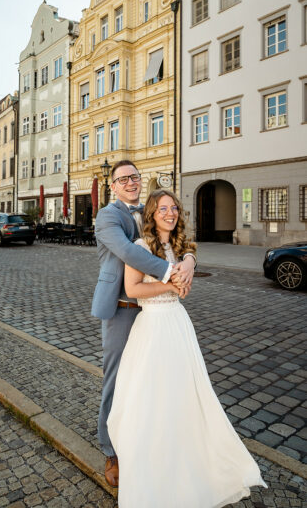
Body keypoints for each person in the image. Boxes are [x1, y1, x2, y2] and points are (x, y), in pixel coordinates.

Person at [107, 189, 267, 507]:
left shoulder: (178, 247)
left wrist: (188, 268)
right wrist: (170, 283)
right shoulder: (141, 247)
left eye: (174, 208)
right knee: (151, 399)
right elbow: (132, 288)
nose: (170, 213)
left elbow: (184, 289)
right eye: (163, 208)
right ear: (152, 214)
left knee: (184, 396)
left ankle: (187, 457)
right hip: (152, 328)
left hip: (178, 325)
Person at [91, 160, 196, 487]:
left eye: (134, 177)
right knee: (117, 380)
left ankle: (146, 443)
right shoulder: (109, 216)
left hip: (153, 311)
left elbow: (175, 237)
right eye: (122, 179)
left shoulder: (150, 209)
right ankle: (111, 449)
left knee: (149, 383)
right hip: (124, 308)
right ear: (113, 185)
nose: (130, 182)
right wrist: (172, 274)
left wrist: (190, 259)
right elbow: (127, 251)